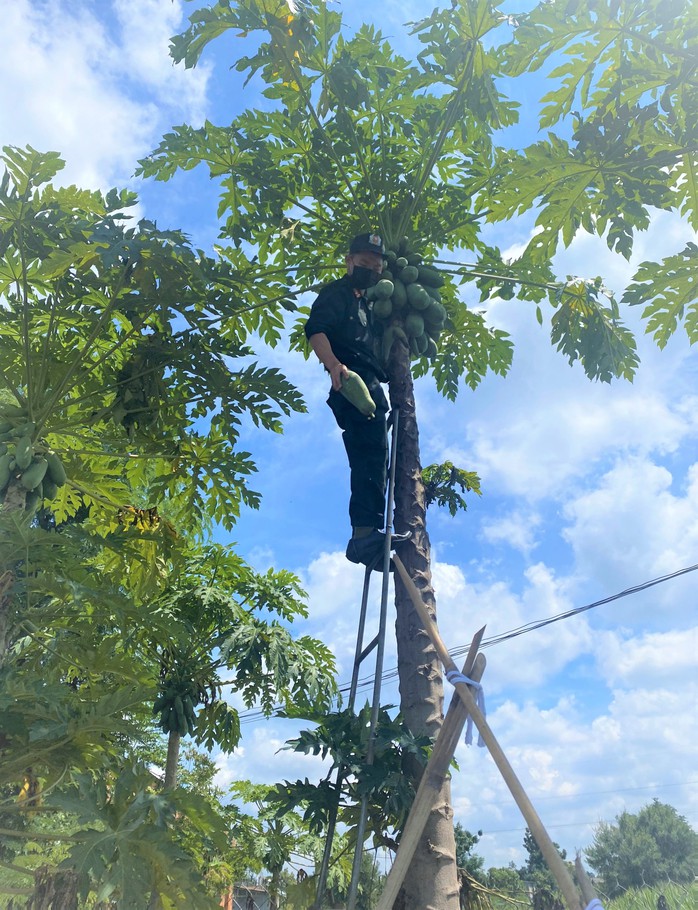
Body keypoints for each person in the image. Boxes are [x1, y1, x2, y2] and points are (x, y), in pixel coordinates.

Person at [304, 232, 410, 566]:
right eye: (364, 264)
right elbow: (315, 330)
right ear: (349, 261)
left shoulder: (367, 304)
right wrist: (333, 366)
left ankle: (371, 538)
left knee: (377, 455)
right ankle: (363, 536)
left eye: (375, 267)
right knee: (367, 454)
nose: (370, 271)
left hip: (372, 385)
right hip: (350, 383)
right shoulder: (336, 294)